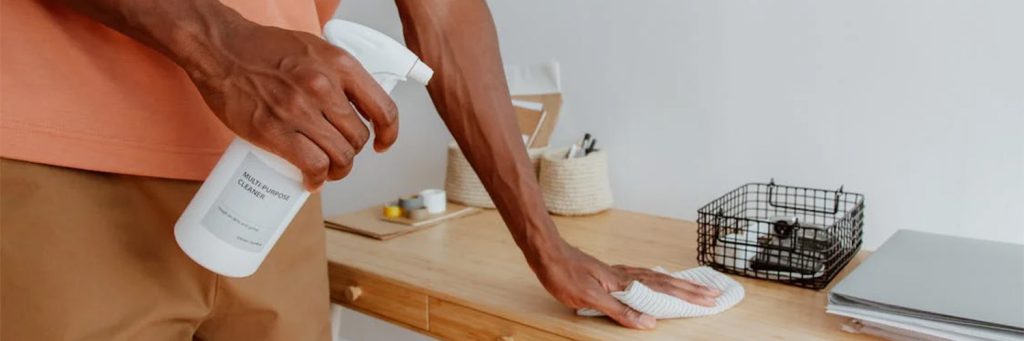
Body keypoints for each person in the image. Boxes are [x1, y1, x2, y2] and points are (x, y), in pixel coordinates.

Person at [0, 0, 721, 339]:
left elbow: (445, 11)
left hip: (273, 187)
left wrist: (543, 239)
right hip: (64, 175)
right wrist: (216, 45)